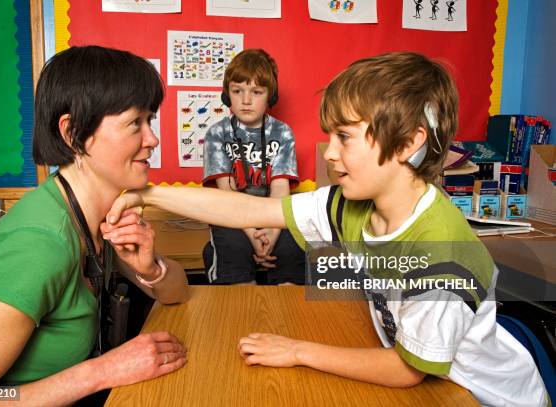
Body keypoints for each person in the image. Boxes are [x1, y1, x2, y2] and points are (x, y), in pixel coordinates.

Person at [106, 52, 549, 406]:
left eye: (345, 137)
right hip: (438, 377)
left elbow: (407, 371)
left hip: (486, 396)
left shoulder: (439, 251)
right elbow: (245, 209)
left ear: (410, 142)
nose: (330, 153)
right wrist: (151, 195)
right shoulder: (350, 203)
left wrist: (297, 351)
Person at [0, 45, 189, 406]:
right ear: (74, 133)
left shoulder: (98, 216)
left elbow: (177, 292)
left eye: (150, 120)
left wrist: (150, 269)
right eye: (135, 122)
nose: (152, 139)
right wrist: (102, 371)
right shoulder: (37, 246)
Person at [202, 48, 305, 285]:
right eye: (237, 91)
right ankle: (240, 307)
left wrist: (271, 234)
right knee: (233, 246)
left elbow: (280, 192)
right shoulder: (217, 133)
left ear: (271, 96)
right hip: (232, 214)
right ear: (227, 95)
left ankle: (287, 309)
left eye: (256, 92)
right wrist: (253, 237)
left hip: (272, 213)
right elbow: (227, 195)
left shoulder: (282, 132)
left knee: (293, 246)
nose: (246, 100)